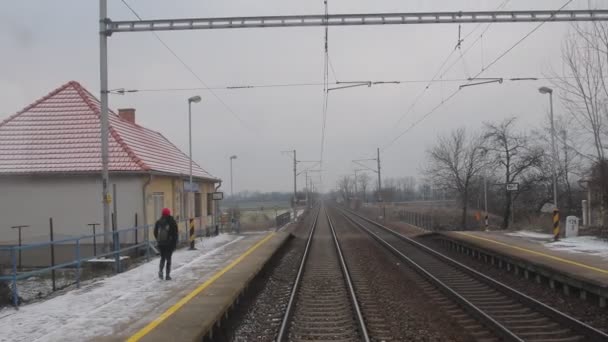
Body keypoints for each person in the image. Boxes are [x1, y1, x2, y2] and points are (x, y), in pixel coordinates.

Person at [154, 208, 178, 280]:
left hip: (161, 244)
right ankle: (167, 275)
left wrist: (158, 240)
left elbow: (155, 232)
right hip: (169, 244)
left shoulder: (158, 222)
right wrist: (174, 243)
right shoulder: (172, 222)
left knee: (162, 258)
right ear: (169, 213)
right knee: (168, 259)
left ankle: (160, 272)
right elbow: (175, 233)